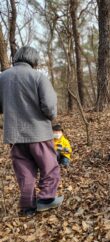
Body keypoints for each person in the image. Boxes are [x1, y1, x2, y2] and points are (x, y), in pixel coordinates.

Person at [0, 46, 63, 217]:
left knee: (24, 172)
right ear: (33, 60)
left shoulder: (2, 77)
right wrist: (50, 116)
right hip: (39, 133)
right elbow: (49, 107)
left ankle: (27, 207)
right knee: (49, 167)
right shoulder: (38, 77)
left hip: (15, 136)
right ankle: (46, 199)